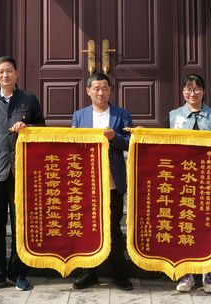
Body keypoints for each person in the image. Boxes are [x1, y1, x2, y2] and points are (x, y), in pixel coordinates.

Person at [0, 56, 45, 292]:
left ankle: (18, 273)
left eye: (9, 71)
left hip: (21, 171)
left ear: (17, 73)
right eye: (0, 72)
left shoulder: (29, 99)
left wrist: (29, 127)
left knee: (20, 224)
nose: (5, 75)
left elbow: (42, 128)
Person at [163, 73, 211, 294]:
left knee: (207, 225)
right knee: (183, 224)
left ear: (204, 91)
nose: (192, 93)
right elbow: (160, 143)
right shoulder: (173, 117)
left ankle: (207, 273)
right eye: (188, 89)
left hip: (208, 181)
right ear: (182, 92)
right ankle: (187, 274)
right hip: (180, 181)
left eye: (197, 89)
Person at [71, 72, 134, 292]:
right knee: (88, 227)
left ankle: (119, 273)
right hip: (86, 183)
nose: (100, 92)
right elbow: (72, 147)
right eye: (96, 88)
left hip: (112, 182)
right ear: (88, 91)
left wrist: (114, 138)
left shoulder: (121, 114)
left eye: (104, 88)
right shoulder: (79, 115)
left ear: (110, 90)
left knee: (114, 228)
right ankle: (90, 272)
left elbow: (131, 143)